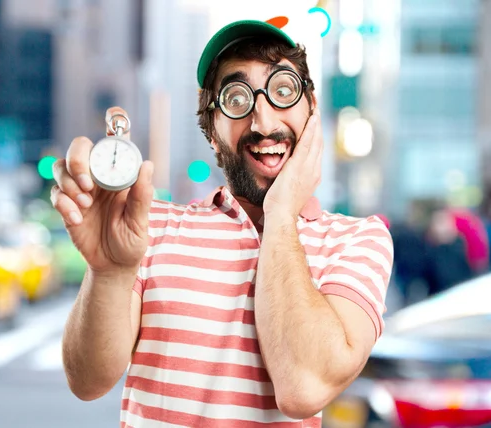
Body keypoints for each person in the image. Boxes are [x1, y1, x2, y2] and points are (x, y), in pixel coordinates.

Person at [52, 19, 394, 428]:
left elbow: (303, 387)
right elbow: (87, 381)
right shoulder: (149, 228)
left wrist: (282, 214)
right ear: (212, 131)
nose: (263, 123)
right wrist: (108, 272)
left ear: (312, 112)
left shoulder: (357, 240)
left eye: (284, 91)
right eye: (236, 98)